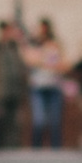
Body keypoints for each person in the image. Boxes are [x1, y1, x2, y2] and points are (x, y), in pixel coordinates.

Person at [0, 19, 29, 149]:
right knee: (0, 116)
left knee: (13, 118)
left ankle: (12, 144)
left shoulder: (15, 47)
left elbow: (23, 64)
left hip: (15, 89)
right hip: (1, 88)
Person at [26, 18, 66, 150]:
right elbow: (31, 60)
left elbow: (62, 64)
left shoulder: (55, 45)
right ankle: (36, 148)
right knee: (39, 120)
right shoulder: (34, 45)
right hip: (38, 87)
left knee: (55, 121)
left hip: (54, 86)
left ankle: (56, 148)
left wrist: (46, 62)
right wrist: (46, 59)